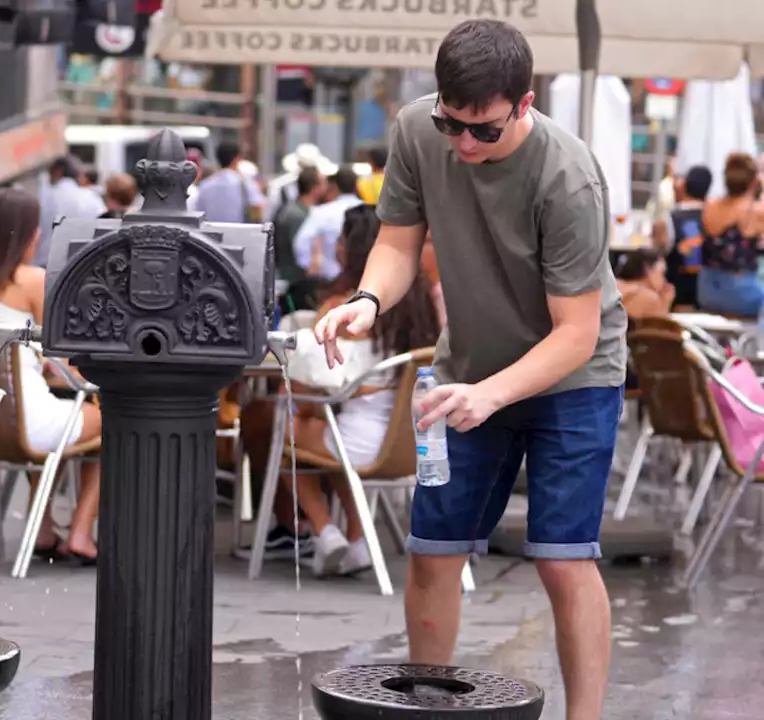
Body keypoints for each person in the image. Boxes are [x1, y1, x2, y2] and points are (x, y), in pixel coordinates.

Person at [315, 20, 626, 720]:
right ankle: (428, 707)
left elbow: (576, 334)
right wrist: (366, 300)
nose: (462, 144)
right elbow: (396, 244)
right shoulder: (416, 131)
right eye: (450, 123)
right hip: (467, 370)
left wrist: (492, 394)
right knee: (433, 548)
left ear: (525, 102)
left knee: (562, 556)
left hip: (574, 380)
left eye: (482, 131)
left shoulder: (568, 176)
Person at [247, 204, 441, 576]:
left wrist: (305, 409)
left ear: (353, 248)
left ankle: (323, 528)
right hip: (413, 445)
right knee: (323, 435)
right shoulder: (421, 307)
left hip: (359, 440)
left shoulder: (342, 309)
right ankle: (355, 539)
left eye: (340, 238)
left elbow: (308, 385)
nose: (334, 246)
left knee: (285, 430)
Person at [0, 187, 104, 563]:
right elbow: (67, 353)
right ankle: (80, 533)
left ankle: (44, 528)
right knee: (114, 419)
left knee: (63, 417)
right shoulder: (32, 280)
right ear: (26, 235)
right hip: (25, 420)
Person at [697, 153, 764, 317]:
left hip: (705, 289)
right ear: (754, 181)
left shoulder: (709, 206)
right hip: (740, 292)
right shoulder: (754, 212)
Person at [655, 165, 711, 308]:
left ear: (683, 185)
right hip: (710, 294)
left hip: (676, 297)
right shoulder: (714, 218)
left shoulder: (667, 219)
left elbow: (656, 254)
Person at [34, 155, 105, 267]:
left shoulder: (43, 197)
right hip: (79, 265)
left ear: (58, 171)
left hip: (44, 265)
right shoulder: (93, 199)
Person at [274, 166, 327, 290]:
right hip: (296, 282)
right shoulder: (297, 215)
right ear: (314, 187)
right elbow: (300, 251)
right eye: (323, 182)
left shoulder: (301, 210)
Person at [193, 141, 266, 223]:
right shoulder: (245, 183)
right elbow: (258, 207)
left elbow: (198, 212)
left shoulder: (205, 185)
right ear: (237, 158)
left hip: (212, 233)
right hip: (239, 233)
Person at [614, 248, 675, 321]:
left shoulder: (614, 285)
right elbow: (663, 329)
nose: (665, 280)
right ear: (648, 268)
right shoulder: (649, 298)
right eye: (662, 273)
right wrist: (665, 304)